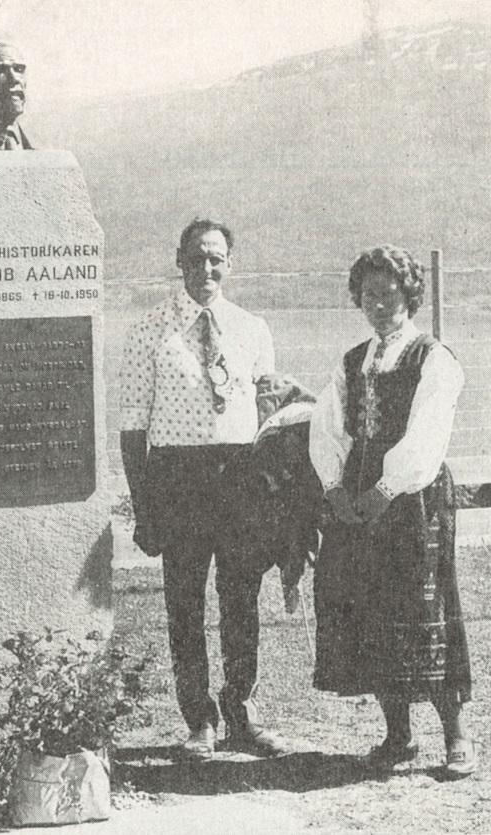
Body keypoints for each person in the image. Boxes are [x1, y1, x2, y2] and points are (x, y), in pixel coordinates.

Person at [118, 218, 291, 759]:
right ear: (180, 261)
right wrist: (145, 508)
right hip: (177, 480)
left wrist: (274, 499)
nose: (207, 269)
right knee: (184, 605)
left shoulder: (252, 327)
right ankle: (199, 720)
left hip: (240, 477)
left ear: (230, 264)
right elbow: (131, 428)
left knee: (241, 602)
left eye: (216, 258)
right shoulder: (150, 329)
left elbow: (271, 420)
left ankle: (241, 710)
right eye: (196, 258)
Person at [309, 246, 475, 778]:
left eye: (389, 294)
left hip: (412, 499)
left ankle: (456, 736)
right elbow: (327, 424)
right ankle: (398, 735)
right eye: (369, 295)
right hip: (355, 495)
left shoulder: (433, 357)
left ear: (410, 296)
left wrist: (384, 490)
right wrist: (335, 490)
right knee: (369, 608)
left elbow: (426, 436)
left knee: (424, 607)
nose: (379, 305)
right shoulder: (353, 359)